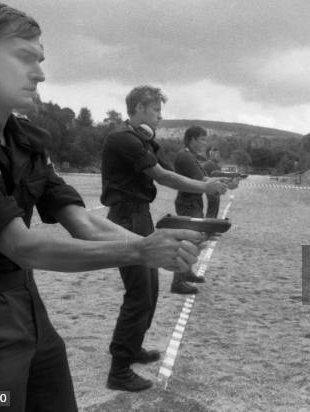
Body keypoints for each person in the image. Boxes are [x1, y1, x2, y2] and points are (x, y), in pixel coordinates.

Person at [0, 2, 206, 411]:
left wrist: (154, 243)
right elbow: (23, 246)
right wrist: (140, 250)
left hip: (28, 316)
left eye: (40, 59)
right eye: (25, 57)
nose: (40, 73)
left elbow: (80, 221)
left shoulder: (23, 140)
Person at [100, 86, 228, 391]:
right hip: (128, 216)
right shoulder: (123, 139)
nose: (160, 116)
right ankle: (119, 370)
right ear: (140, 108)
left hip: (138, 215)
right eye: (156, 110)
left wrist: (208, 181)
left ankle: (131, 349)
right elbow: (163, 176)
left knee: (150, 290)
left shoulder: (139, 139)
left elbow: (167, 170)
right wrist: (205, 188)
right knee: (140, 294)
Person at [171, 128, 238, 294]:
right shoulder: (185, 156)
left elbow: (205, 179)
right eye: (202, 140)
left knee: (194, 239)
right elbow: (203, 180)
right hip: (188, 203)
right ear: (192, 140)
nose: (204, 143)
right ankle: (178, 282)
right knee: (187, 242)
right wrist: (224, 183)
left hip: (193, 202)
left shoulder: (191, 156)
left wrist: (224, 181)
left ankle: (186, 273)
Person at [202, 145, 222, 218]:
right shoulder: (209, 164)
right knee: (212, 211)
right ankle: (207, 226)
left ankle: (210, 225)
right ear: (211, 154)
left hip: (215, 190)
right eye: (217, 154)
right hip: (211, 190)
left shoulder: (214, 165)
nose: (219, 156)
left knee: (214, 210)